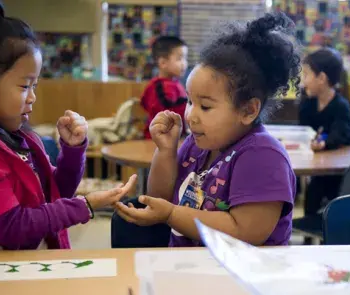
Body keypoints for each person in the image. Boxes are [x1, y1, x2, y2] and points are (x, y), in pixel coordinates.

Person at [116, 12, 301, 247]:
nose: (191, 115)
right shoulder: (197, 144)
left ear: (248, 111)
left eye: (205, 106)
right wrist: (165, 151)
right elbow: (159, 199)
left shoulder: (263, 155)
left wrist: (171, 214)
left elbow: (246, 231)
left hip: (243, 279)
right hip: (193, 272)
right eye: (190, 101)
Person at [0, 0, 136, 250]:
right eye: (25, 86)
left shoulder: (21, 139)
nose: (33, 97)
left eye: (34, 86)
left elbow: (56, 194)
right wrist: (85, 206)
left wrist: (72, 150)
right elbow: (13, 227)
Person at [299, 48, 350, 216]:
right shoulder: (307, 104)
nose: (303, 82)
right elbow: (305, 131)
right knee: (312, 195)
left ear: (322, 78)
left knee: (331, 202)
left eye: (306, 75)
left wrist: (324, 142)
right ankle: (307, 237)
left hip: (340, 171)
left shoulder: (340, 105)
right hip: (319, 168)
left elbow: (340, 134)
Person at [140, 36, 188, 139]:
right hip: (159, 141)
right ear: (163, 63)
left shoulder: (174, 83)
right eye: (180, 58)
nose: (184, 63)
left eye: (185, 58)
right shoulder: (161, 87)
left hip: (174, 139)